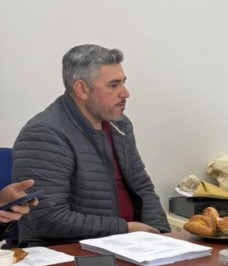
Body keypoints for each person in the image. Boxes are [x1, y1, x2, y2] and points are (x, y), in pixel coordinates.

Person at [12, 44, 169, 247]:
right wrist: (125, 229)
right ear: (82, 89)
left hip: (128, 245)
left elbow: (143, 188)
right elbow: (48, 219)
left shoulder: (120, 125)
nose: (125, 93)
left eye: (123, 82)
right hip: (70, 250)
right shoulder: (44, 133)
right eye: (113, 85)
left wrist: (162, 236)